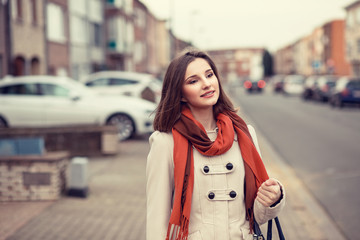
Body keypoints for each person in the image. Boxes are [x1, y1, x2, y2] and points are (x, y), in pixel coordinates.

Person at [146, 49, 285, 240]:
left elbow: (257, 216)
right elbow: (157, 219)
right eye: (193, 81)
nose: (206, 84)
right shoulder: (165, 142)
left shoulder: (245, 134)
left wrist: (273, 196)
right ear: (180, 94)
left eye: (209, 75)